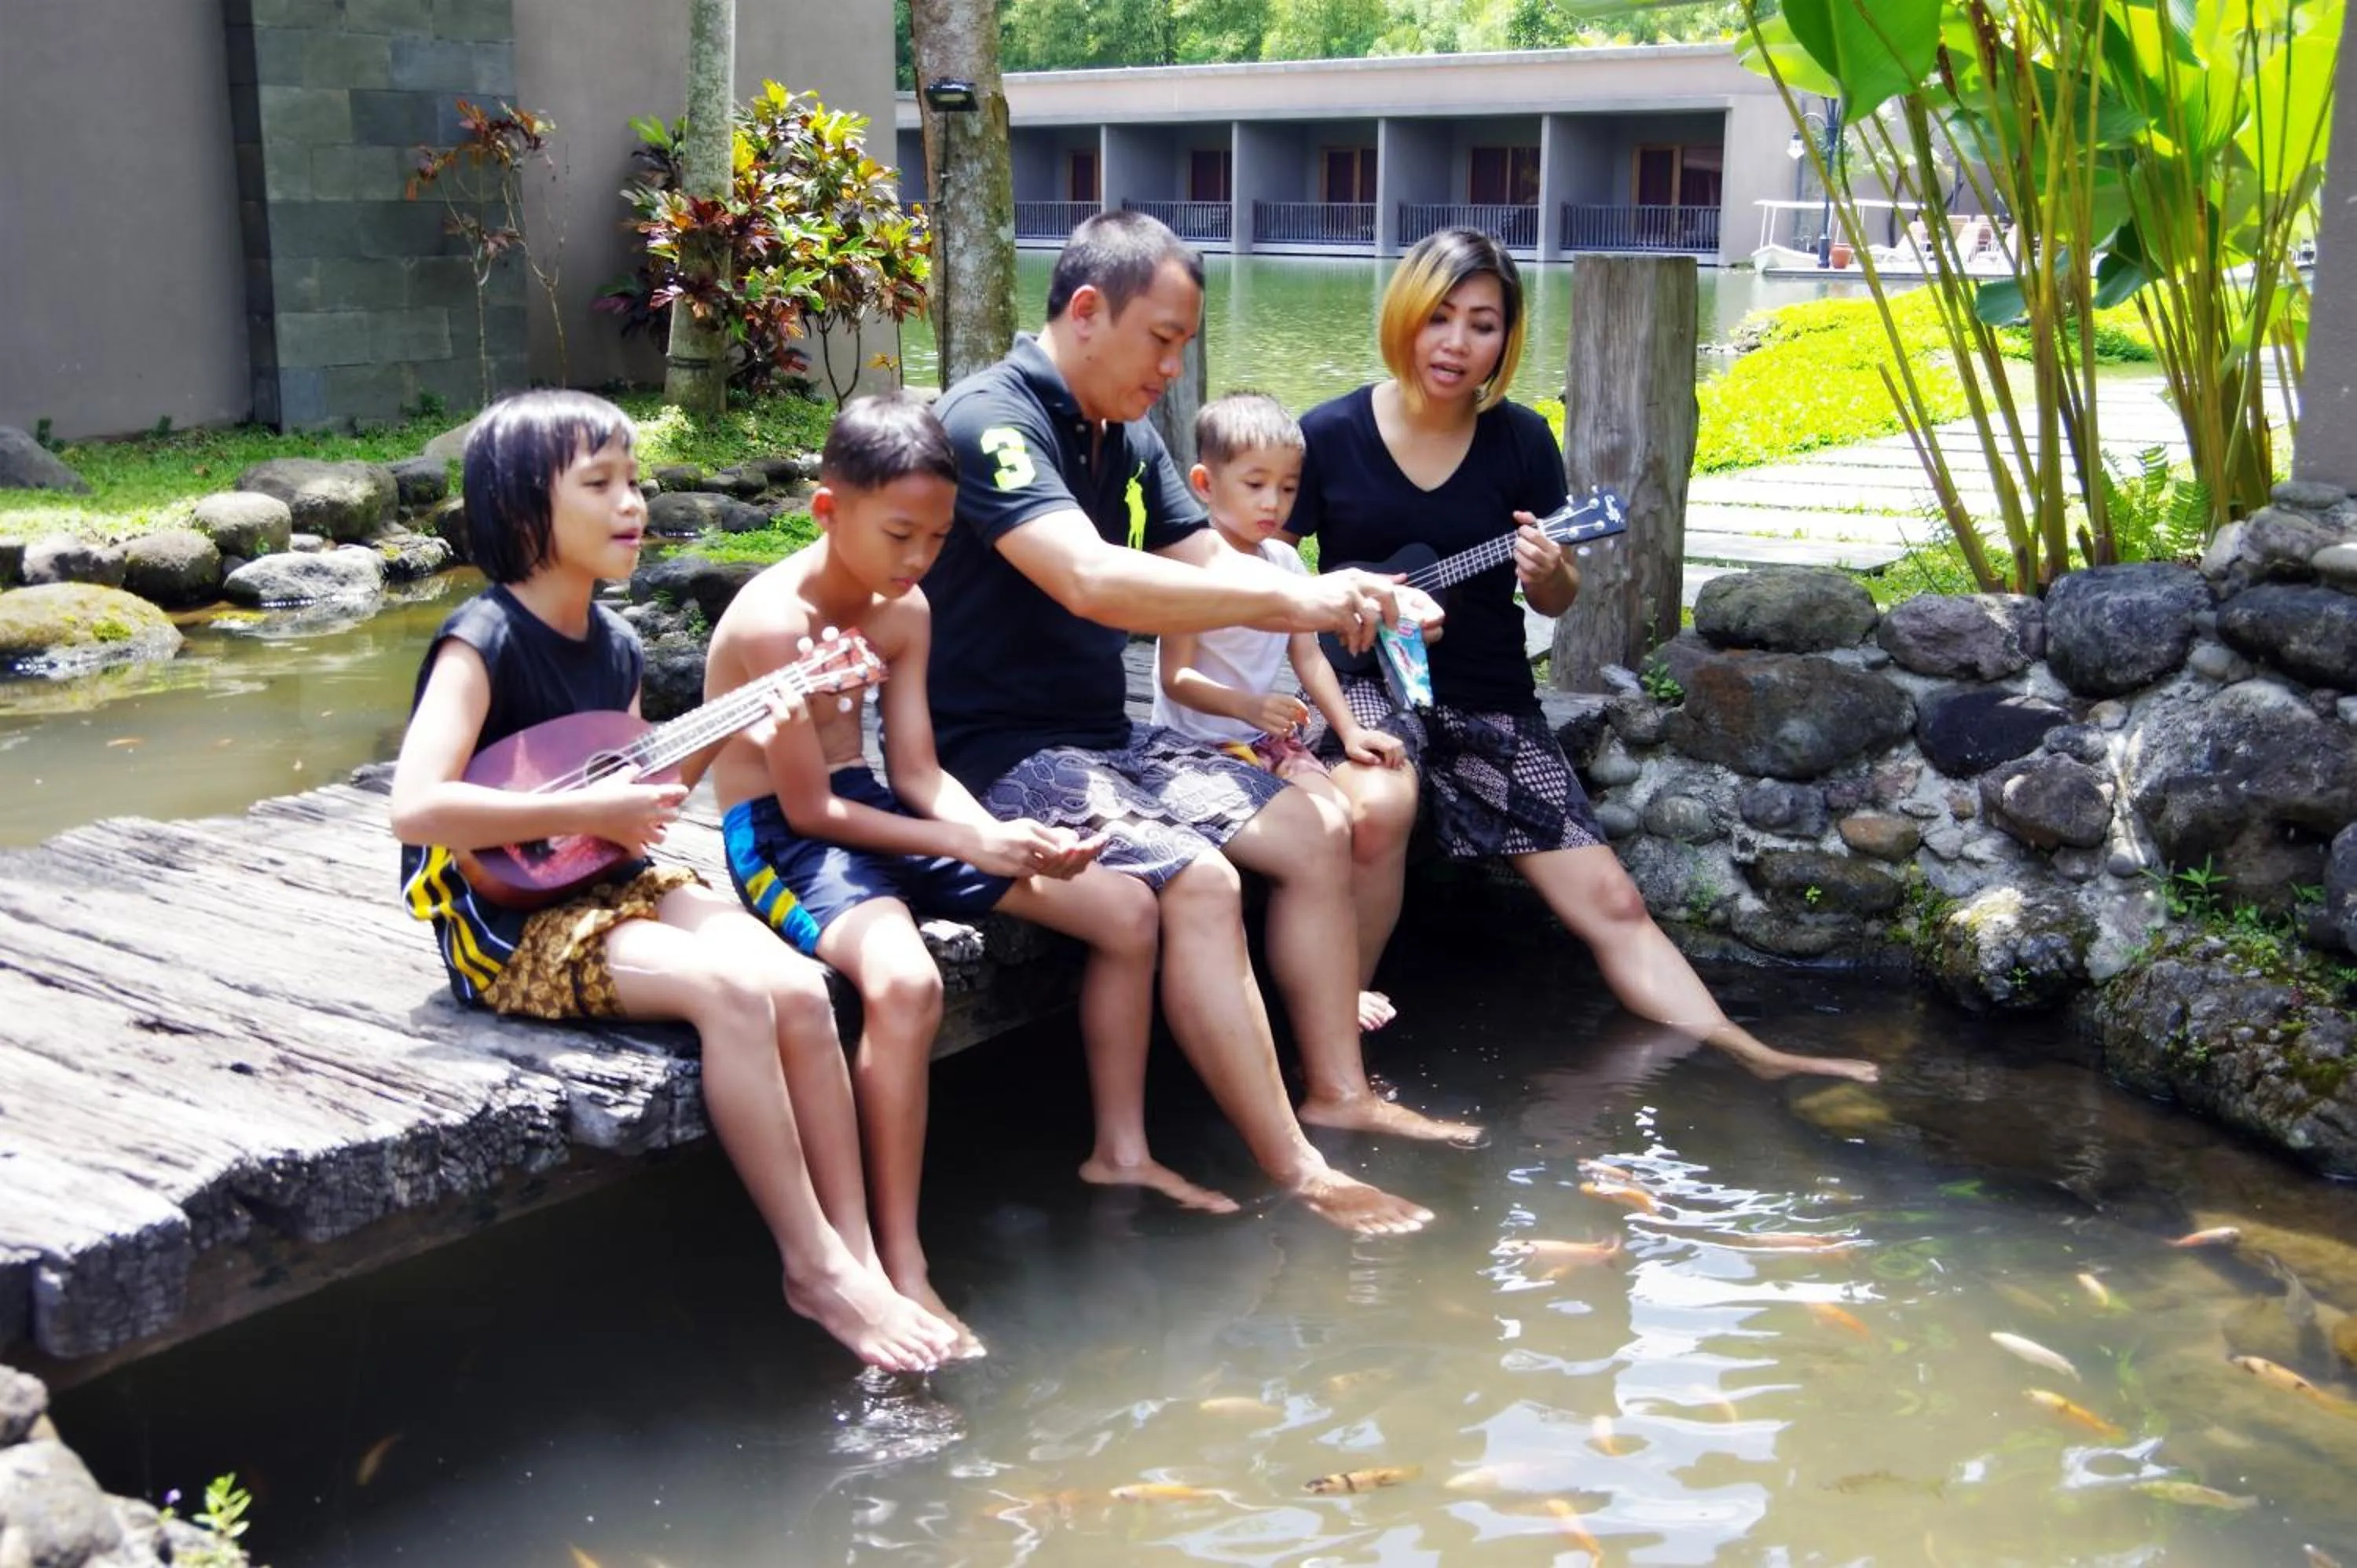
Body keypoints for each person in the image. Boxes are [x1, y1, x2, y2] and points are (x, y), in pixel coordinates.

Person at [389, 390, 961, 1375]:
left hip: (601, 879)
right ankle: (812, 1265)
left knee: (795, 985)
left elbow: (637, 796)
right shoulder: (479, 639)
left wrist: (766, 710)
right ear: (525, 508)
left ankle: (863, 1254)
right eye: (600, 484)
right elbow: (418, 807)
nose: (633, 503)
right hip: (500, 921)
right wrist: (583, 816)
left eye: (634, 479)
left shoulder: (612, 644)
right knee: (729, 991)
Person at [921, 211, 1465, 1236]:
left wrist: (1346, 588)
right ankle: (1299, 1167)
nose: (1177, 365)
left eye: (1185, 342)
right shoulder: (990, 420)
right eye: (1162, 338)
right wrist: (1300, 604)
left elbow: (1209, 567)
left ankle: (1337, 1086)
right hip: (994, 752)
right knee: (1201, 878)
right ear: (1087, 312)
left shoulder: (1123, 433)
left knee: (1318, 827)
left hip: (1104, 735)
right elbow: (1087, 580)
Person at [702, 392, 1237, 1358]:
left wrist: (1000, 833)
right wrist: (970, 846)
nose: (918, 560)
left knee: (1121, 908)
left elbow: (915, 773)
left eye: (939, 538)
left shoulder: (906, 609)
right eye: (900, 534)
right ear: (829, 510)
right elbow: (815, 811)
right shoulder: (771, 624)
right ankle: (897, 1262)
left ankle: (1120, 1150)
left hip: (878, 804)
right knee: (906, 984)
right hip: (782, 833)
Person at [1289, 229, 1879, 1086]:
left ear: (1508, 337)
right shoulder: (1331, 432)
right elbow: (1261, 572)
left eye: (1483, 324)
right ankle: (1334, 1052)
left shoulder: (1522, 440)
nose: (1457, 343)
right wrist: (1351, 599)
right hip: (1368, 694)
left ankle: (1754, 1052)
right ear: (1406, 316)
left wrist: (1555, 570)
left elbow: (1554, 603)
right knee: (1378, 808)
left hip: (1489, 702)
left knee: (1614, 901)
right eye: (1440, 318)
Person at [1149, 390, 1411, 1031]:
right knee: (1312, 836)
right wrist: (1246, 704)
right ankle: (1320, 994)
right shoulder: (1193, 565)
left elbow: (1310, 658)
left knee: (1342, 819)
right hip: (1196, 745)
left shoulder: (1288, 563)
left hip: (1266, 741)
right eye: (1256, 484)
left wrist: (1349, 732)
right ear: (1206, 484)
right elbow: (1174, 677)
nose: (1273, 504)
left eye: (1288, 489)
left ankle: (1336, 978)